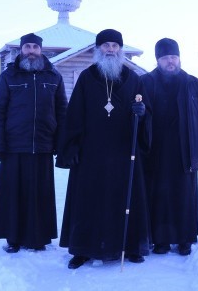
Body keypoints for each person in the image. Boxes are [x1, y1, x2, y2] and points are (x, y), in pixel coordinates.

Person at [56, 29, 151, 269]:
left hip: (123, 151)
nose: (110, 49)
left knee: (125, 198)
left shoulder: (133, 78)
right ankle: (83, 249)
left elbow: (145, 112)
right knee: (87, 201)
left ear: (120, 49)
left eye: (115, 45)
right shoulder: (87, 77)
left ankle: (128, 247)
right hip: (91, 152)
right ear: (98, 49)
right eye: (106, 45)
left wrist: (141, 114)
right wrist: (72, 147)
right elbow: (75, 113)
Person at [0, 32, 68, 253]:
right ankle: (13, 238)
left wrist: (61, 142)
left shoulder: (53, 76)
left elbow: (62, 111)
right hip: (14, 146)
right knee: (14, 195)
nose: (31, 51)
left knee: (40, 194)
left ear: (41, 50)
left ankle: (39, 238)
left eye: (35, 47)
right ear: (21, 50)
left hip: (43, 145)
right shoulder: (8, 77)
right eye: (27, 47)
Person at [140, 37, 198, 256]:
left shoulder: (193, 84)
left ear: (179, 58)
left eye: (174, 57)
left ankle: (185, 239)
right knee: (158, 195)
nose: (170, 62)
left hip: (186, 150)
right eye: (165, 58)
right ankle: (160, 240)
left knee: (184, 195)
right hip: (154, 150)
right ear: (158, 60)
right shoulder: (145, 83)